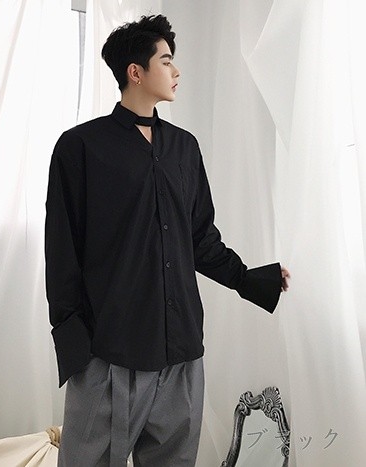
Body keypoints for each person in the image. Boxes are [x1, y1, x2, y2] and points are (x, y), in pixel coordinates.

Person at [45, 14, 290, 467]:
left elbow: (200, 239)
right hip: (108, 354)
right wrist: (75, 346)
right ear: (135, 72)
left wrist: (252, 279)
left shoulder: (184, 148)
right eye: (166, 60)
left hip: (180, 355)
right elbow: (62, 252)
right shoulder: (79, 148)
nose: (176, 71)